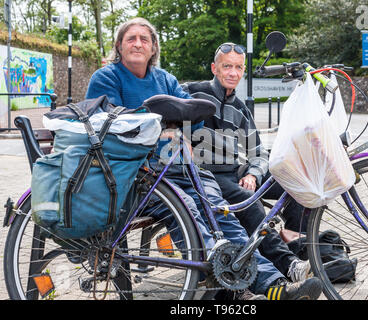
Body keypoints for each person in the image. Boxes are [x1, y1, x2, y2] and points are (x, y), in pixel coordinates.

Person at [86, 17, 322, 300]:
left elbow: (193, 121)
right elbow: (107, 123)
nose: (138, 43)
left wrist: (181, 127)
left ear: (153, 49)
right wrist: (161, 130)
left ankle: (273, 285)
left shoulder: (165, 79)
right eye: (131, 38)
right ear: (119, 46)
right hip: (135, 175)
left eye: (144, 39)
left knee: (222, 215)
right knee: (192, 214)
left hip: (182, 170)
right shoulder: (106, 77)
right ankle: (236, 290)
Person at [182, 42, 310, 282]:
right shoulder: (191, 92)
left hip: (235, 171)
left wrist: (253, 174)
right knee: (250, 203)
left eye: (238, 68)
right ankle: (289, 264)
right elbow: (165, 107)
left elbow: (258, 152)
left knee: (298, 182)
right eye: (227, 66)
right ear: (214, 68)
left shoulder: (241, 109)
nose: (233, 73)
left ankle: (292, 238)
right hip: (206, 176)